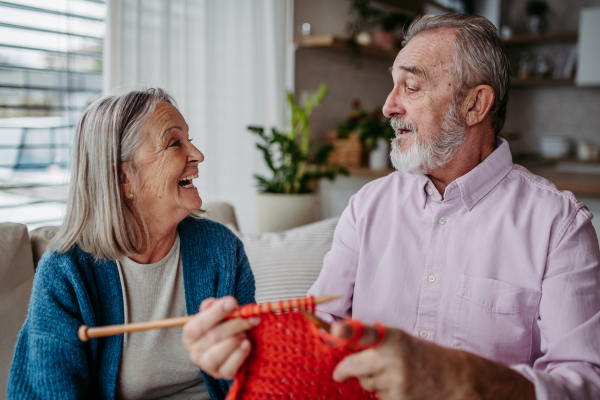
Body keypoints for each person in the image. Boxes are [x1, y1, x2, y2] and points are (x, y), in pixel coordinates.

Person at [182, 14, 600, 400]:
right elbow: (320, 327)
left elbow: (584, 384)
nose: (388, 105)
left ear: (475, 105)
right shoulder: (368, 206)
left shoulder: (559, 225)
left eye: (411, 87)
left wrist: (456, 378)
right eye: (393, 84)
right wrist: (248, 342)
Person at [8, 88, 256, 400]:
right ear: (124, 178)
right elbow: (47, 393)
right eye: (174, 142)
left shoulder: (221, 248)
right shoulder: (66, 271)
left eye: (189, 139)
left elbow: (255, 375)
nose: (197, 155)